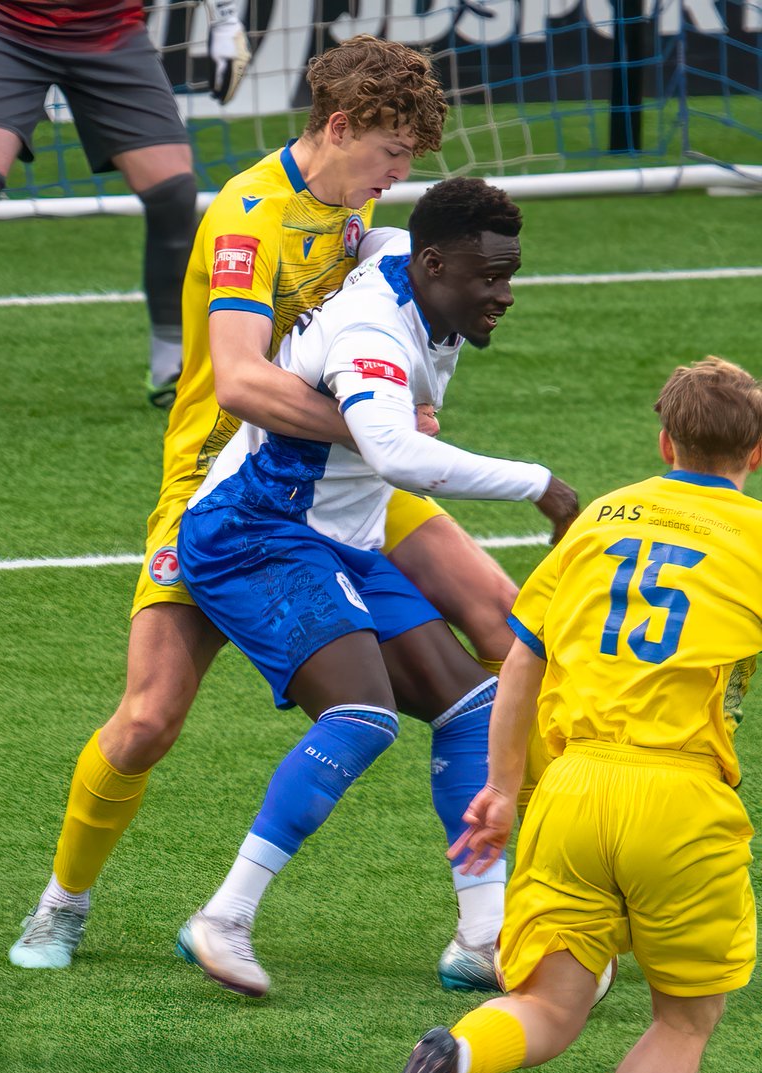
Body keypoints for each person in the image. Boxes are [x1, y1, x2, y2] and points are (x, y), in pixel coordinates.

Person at [172, 176, 577, 997]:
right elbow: (395, 456)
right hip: (255, 528)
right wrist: (538, 482)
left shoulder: (405, 257)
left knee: (475, 708)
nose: (504, 294)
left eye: (510, 274)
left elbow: (378, 236)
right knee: (362, 716)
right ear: (434, 266)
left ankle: (483, 938)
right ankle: (223, 918)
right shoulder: (374, 338)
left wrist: (350, 225)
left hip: (337, 536)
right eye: (487, 278)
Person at [373, 355, 762, 1073]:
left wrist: (506, 787)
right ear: (756, 453)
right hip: (681, 802)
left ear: (665, 441)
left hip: (573, 791)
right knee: (685, 1020)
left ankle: (458, 1053)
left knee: (550, 1007)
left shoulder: (600, 521)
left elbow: (522, 657)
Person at [0, 0, 250, 407]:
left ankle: (173, 364)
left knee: (173, 191)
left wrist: (225, 20)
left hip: (110, 31)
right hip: (2, 28)